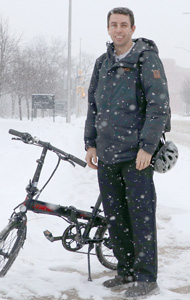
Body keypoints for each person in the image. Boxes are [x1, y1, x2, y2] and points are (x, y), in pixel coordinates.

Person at [84, 7, 170, 299]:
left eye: (123, 25)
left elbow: (159, 107)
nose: (118, 30)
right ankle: (126, 270)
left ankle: (147, 277)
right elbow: (93, 107)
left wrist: (147, 146)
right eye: (113, 25)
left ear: (133, 28)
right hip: (107, 154)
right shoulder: (102, 62)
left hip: (136, 156)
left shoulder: (146, 59)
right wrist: (90, 143)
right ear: (108, 28)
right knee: (116, 217)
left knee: (141, 217)